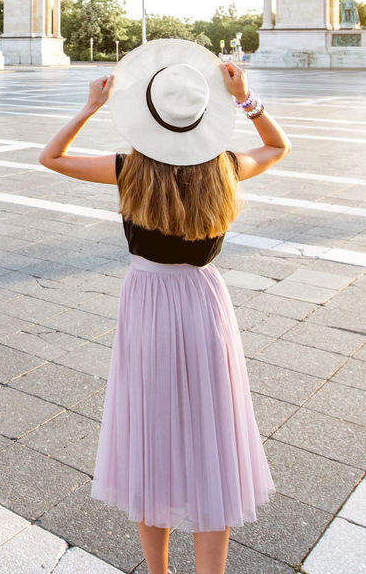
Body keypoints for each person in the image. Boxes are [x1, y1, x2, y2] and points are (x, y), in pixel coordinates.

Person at [39, 39, 291, 574]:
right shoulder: (224, 167)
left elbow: (51, 157)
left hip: (147, 303)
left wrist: (89, 107)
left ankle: (159, 572)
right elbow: (277, 148)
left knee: (150, 438)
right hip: (204, 303)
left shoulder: (130, 169)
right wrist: (248, 101)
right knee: (211, 442)